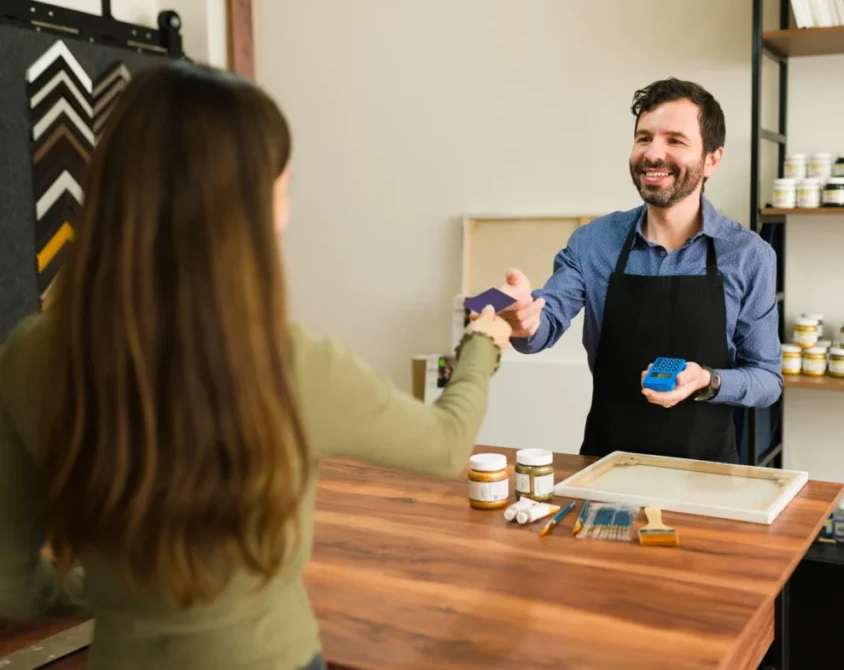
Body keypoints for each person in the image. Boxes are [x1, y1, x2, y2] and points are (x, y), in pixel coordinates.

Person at [0, 62, 511, 670]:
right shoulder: (289, 363)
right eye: (283, 189)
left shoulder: (31, 354)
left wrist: (110, 594)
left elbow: (12, 583)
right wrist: (483, 344)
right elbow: (446, 444)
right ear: (244, 211)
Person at [500, 77, 782, 463]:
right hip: (604, 467)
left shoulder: (749, 255)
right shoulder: (593, 243)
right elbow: (542, 327)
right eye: (644, 138)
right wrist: (523, 322)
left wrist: (708, 380)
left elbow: (767, 380)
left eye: (675, 141)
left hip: (708, 477)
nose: (653, 154)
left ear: (712, 159)